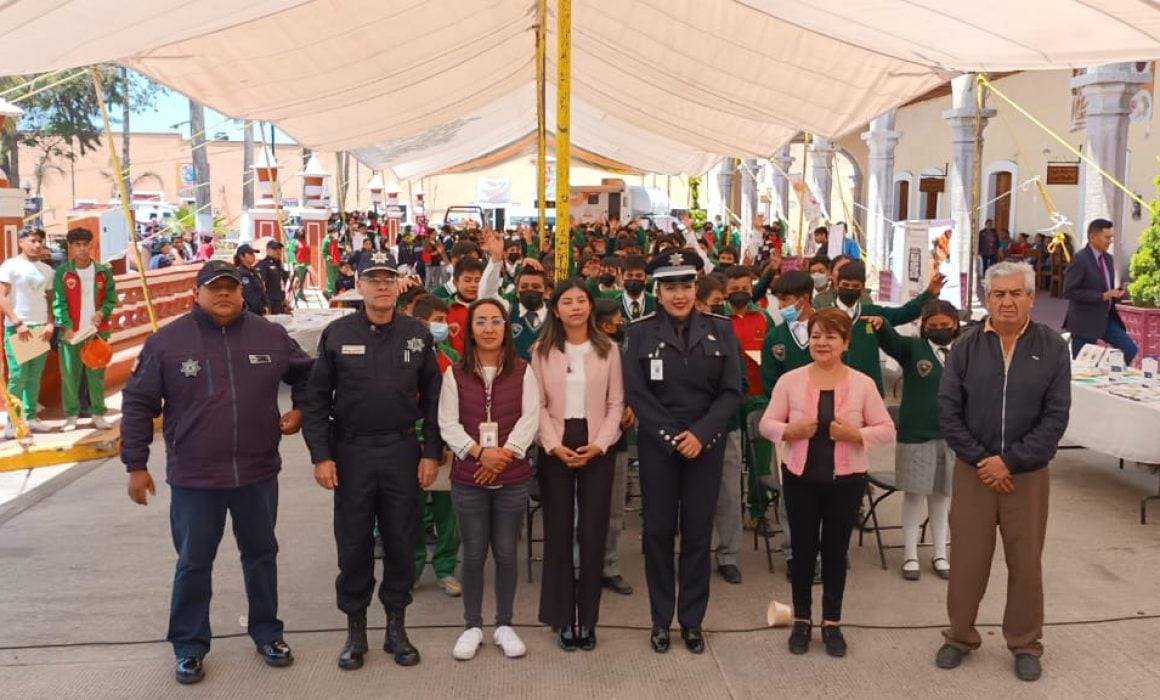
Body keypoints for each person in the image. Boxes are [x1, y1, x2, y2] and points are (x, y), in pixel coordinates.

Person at [120, 261, 314, 685]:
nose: (224, 294)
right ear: (197, 293)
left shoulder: (270, 335)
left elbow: (308, 375)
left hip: (258, 472)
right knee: (193, 563)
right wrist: (136, 464)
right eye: (214, 288)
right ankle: (189, 646)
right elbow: (137, 404)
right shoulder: (167, 343)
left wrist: (300, 408)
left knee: (262, 556)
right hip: (195, 479)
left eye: (231, 287)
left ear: (242, 293)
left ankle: (268, 633)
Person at [299, 251, 443, 671]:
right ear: (358, 286)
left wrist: (431, 451)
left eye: (388, 279)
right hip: (352, 452)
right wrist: (321, 456)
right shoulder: (336, 333)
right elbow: (315, 399)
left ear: (398, 286)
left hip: (401, 451)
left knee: (401, 540)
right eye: (372, 279)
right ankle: (355, 631)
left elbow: (434, 398)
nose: (381, 286)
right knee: (354, 543)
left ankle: (396, 629)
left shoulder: (416, 334)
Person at [935, 262, 1071, 682]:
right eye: (999, 294)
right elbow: (948, 410)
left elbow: (1056, 416)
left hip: (1026, 475)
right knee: (967, 561)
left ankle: (1025, 642)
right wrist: (982, 460)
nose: (1007, 301)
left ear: (1031, 298)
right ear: (987, 299)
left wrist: (1009, 461)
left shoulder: (1051, 348)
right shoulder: (966, 347)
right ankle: (959, 636)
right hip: (974, 472)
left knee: (1026, 562)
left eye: (1016, 293)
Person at [623, 251, 743, 655]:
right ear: (657, 292)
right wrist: (673, 436)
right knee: (657, 533)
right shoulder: (639, 333)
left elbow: (732, 391)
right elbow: (637, 392)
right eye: (670, 287)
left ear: (697, 288)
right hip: (660, 447)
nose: (679, 295)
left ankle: (692, 621)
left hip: (705, 446)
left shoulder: (720, 330)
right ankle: (660, 620)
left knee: (696, 534)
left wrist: (702, 434)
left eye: (686, 286)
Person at [759, 308, 895, 658]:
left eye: (831, 337)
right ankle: (802, 620)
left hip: (846, 481)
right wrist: (788, 430)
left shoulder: (863, 383)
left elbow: (886, 429)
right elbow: (766, 423)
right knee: (803, 553)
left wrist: (855, 434)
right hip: (800, 478)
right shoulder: (791, 380)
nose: (822, 343)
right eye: (816, 335)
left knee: (836, 553)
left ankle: (832, 622)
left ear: (845, 343)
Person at [437, 298, 540, 661]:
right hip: (469, 478)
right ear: (470, 330)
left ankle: (504, 624)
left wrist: (505, 455)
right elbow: (447, 424)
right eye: (481, 321)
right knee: (474, 554)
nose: (489, 328)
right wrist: (481, 454)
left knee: (507, 553)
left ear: (505, 328)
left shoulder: (524, 370)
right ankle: (472, 626)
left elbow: (530, 419)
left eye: (496, 321)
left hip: (512, 477)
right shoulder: (455, 374)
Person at [530, 279, 624, 651]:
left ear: (590, 307)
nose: (575, 307)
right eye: (566, 301)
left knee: (592, 529)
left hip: (596, 440)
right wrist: (552, 444)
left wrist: (600, 443)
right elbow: (534, 405)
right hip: (555, 440)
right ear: (555, 309)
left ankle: (587, 618)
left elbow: (616, 403)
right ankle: (561, 617)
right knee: (558, 530)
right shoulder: (542, 350)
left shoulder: (609, 350)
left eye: (581, 300)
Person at [873, 300, 960, 581]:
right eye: (932, 326)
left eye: (944, 326)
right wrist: (882, 326)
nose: (939, 330)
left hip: (951, 436)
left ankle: (940, 553)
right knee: (914, 494)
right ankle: (910, 553)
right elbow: (892, 342)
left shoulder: (962, 353)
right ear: (924, 327)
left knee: (941, 496)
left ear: (955, 325)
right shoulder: (913, 349)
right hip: (916, 435)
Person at [718, 265, 776, 583]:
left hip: (758, 396)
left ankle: (758, 510)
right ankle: (731, 517)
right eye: (734, 286)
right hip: (728, 401)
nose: (740, 290)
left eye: (745, 285)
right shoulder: (718, 317)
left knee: (760, 461)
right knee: (729, 462)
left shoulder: (764, 317)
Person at [409, 294, 462, 597]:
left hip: (444, 444)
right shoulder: (403, 353)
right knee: (410, 511)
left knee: (447, 511)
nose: (443, 326)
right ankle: (412, 567)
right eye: (438, 321)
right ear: (420, 321)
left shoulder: (450, 358)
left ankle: (445, 568)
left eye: (444, 320)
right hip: (409, 443)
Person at [52, 227, 117, 432]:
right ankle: (71, 415)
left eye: (85, 245)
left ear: (92, 245)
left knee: (96, 376)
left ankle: (98, 413)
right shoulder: (63, 272)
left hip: (96, 332)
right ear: (70, 247)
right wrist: (67, 326)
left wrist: (102, 313)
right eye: (77, 245)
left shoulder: (103, 271)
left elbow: (110, 298)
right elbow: (58, 302)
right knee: (70, 376)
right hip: (71, 334)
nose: (82, 249)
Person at [593, 298, 635, 596]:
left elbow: (633, 390)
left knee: (614, 511)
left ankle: (609, 566)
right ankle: (582, 566)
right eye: (616, 320)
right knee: (584, 510)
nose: (620, 325)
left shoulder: (620, 354)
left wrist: (632, 408)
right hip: (583, 442)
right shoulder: (572, 354)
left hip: (617, 442)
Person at [0, 228, 55, 435]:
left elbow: (50, 300)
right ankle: (13, 420)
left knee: (34, 375)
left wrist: (50, 323)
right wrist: (17, 322)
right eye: (33, 240)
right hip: (19, 329)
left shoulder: (47, 270)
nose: (37, 245)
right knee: (18, 375)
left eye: (40, 241)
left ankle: (31, 417)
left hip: (40, 328)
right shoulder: (10, 266)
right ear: (22, 242)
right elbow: (2, 296)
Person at [1063, 218, 1137, 364]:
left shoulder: (1108, 259)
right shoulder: (1080, 259)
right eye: (1107, 237)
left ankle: (1110, 374)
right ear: (1092, 237)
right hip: (1084, 322)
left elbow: (1105, 287)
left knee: (1130, 349)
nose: (1110, 241)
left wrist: (1119, 292)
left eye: (1111, 237)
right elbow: (1069, 291)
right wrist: (1102, 296)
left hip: (1106, 319)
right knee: (1082, 365)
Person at [255, 240, 290, 315]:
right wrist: (264, 305)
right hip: (270, 303)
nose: (278, 251)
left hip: (279, 303)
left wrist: (283, 299)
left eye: (279, 249)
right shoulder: (263, 265)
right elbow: (259, 286)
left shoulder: (279, 265)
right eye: (274, 249)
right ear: (267, 250)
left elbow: (281, 284)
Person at [234, 243, 268, 316]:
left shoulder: (254, 272)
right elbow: (248, 296)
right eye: (250, 253)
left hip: (260, 312)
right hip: (249, 313)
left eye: (253, 253)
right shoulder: (240, 273)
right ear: (241, 256)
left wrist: (266, 305)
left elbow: (261, 291)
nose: (253, 255)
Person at [322, 226, 343, 296]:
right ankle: (330, 292)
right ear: (330, 233)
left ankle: (335, 291)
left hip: (336, 261)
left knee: (336, 276)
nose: (336, 233)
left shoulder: (335, 238)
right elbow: (323, 252)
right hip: (330, 262)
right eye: (335, 231)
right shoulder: (326, 240)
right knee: (331, 277)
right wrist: (329, 258)